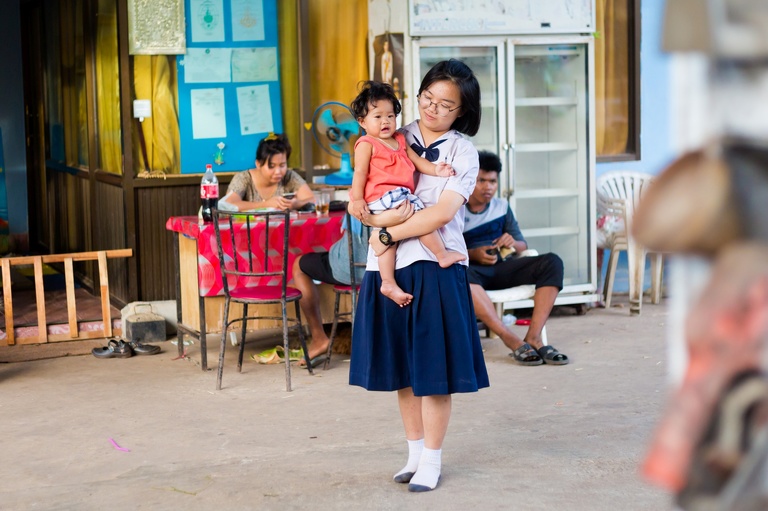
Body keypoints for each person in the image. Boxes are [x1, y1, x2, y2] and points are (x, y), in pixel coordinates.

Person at [349, 59, 489, 493]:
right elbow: (363, 193)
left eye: (445, 105)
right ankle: (413, 454)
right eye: (427, 98)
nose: (432, 109)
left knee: (434, 371)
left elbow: (444, 211)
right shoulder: (391, 129)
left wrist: (385, 232)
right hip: (388, 267)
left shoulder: (462, 152)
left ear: (462, 112)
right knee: (403, 369)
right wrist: (374, 224)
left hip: (436, 266)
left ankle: (432, 459)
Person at [349, 81, 465, 306]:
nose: (386, 121)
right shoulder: (366, 143)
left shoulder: (400, 139)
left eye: (390, 116)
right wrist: (358, 199)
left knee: (391, 236)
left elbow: (417, 161)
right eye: (378, 117)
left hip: (397, 195)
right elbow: (360, 172)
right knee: (418, 216)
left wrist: (436, 169)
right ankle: (441, 254)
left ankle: (388, 282)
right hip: (382, 196)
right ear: (362, 122)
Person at [463, 150, 569, 366]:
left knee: (552, 262)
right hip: (472, 273)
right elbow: (444, 248)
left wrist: (512, 242)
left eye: (492, 181)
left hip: (504, 268)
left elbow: (523, 245)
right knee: (458, 272)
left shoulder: (501, 207)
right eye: (481, 180)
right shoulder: (455, 208)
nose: (488, 187)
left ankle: (534, 337)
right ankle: (509, 338)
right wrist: (473, 254)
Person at [291, 216, 367, 367]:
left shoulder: (358, 201)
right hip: (388, 269)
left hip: (351, 269)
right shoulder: (402, 198)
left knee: (299, 265)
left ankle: (319, 338)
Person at [223, 133, 314, 211]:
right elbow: (228, 205)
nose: (278, 172)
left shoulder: (289, 176)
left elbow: (314, 199)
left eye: (282, 165)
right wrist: (266, 204)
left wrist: (296, 204)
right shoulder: (244, 178)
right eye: (271, 166)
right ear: (258, 164)